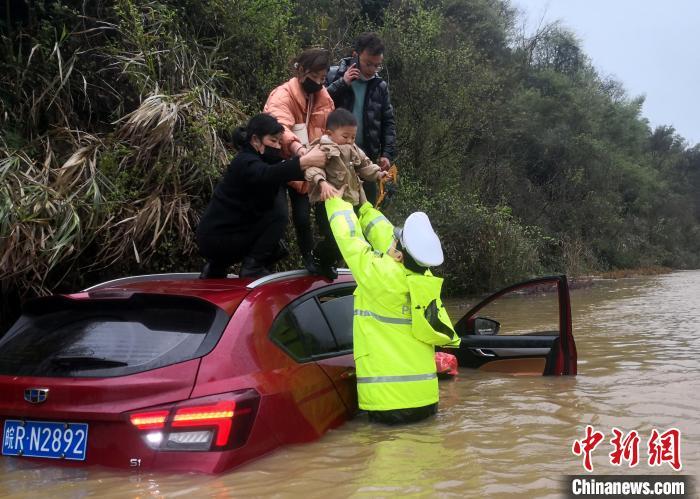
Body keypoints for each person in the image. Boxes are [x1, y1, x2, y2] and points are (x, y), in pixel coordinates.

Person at [324, 190, 461, 424]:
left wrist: (336, 199)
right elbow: (386, 235)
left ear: (398, 254)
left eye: (395, 240)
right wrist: (365, 207)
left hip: (388, 404)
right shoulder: (425, 278)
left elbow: (349, 238)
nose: (392, 239)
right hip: (426, 400)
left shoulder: (379, 275)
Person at [196, 113, 326, 279]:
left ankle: (215, 270)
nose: (278, 147)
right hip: (218, 238)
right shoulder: (245, 161)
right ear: (256, 140)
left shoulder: (264, 161)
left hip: (225, 237)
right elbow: (268, 174)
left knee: (271, 222)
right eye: (273, 141)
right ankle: (253, 266)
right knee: (278, 214)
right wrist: (305, 160)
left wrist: (329, 172)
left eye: (280, 142)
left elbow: (288, 171)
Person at [264, 48, 335, 274]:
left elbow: (331, 129)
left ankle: (323, 258)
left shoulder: (323, 98)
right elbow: (278, 126)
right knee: (289, 215)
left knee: (323, 214)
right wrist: (298, 149)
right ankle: (294, 257)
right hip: (283, 162)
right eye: (314, 77)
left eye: (322, 78)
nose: (318, 82)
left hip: (312, 164)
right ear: (301, 70)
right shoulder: (282, 95)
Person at [304, 108, 387, 278]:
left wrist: (379, 173)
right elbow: (311, 168)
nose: (349, 141)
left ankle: (328, 263)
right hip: (328, 204)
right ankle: (318, 257)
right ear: (329, 133)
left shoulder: (353, 149)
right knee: (335, 238)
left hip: (351, 203)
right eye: (345, 136)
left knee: (353, 239)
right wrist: (322, 183)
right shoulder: (322, 148)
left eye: (353, 137)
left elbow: (364, 166)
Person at [325, 32, 396, 205]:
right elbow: (321, 105)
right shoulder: (334, 75)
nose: (372, 70)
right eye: (368, 64)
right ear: (355, 55)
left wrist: (386, 153)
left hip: (367, 157)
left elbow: (388, 121)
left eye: (377, 66)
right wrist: (343, 83)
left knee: (368, 206)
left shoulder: (380, 86)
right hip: (337, 155)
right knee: (340, 206)